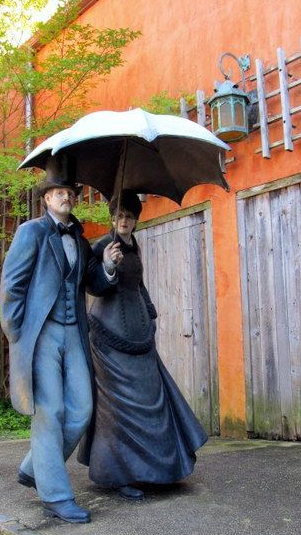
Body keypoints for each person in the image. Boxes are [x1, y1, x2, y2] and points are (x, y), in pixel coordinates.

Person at [0, 155, 123, 523]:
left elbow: (93, 284)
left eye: (69, 192)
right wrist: (18, 334)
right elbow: (11, 287)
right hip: (41, 335)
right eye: (58, 192)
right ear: (46, 199)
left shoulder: (81, 241)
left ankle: (34, 467)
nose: (65, 197)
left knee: (82, 410)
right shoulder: (31, 232)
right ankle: (54, 494)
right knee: (49, 412)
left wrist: (110, 266)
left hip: (75, 334)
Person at [78, 190, 208, 500]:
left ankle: (155, 470)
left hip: (140, 337)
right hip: (109, 340)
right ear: (112, 217)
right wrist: (108, 266)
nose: (124, 220)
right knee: (118, 409)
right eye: (119, 215)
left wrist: (150, 312)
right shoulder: (102, 246)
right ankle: (116, 474)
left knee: (152, 398)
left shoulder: (134, 246)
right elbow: (91, 283)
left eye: (130, 216)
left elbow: (138, 284)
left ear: (136, 219)